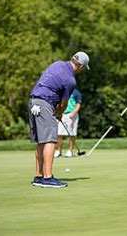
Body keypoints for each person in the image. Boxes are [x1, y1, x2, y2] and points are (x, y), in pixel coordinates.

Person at [28, 51, 89, 188]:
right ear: (81, 67)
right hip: (45, 103)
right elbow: (63, 104)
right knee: (50, 139)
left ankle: (39, 176)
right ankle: (48, 178)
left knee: (41, 141)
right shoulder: (70, 80)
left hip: (33, 102)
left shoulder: (57, 64)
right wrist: (59, 114)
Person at [54, 88, 82, 158]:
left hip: (72, 114)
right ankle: (58, 151)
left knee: (72, 134)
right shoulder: (61, 92)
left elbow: (78, 104)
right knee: (59, 133)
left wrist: (74, 113)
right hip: (62, 113)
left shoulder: (76, 92)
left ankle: (70, 151)